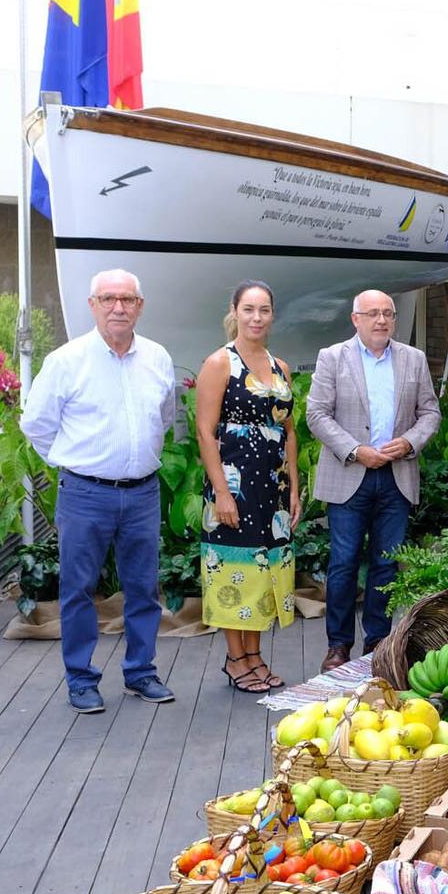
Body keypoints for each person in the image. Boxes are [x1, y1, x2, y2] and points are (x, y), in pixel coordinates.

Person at [20, 268, 177, 713]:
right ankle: (81, 679)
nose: (118, 307)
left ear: (140, 306)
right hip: (85, 493)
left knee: (144, 588)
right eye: (108, 299)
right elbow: (36, 426)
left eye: (127, 299)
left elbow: (164, 418)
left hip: (143, 493)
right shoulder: (66, 361)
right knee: (78, 590)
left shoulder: (158, 357)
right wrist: (78, 464)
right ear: (93, 305)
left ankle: (141, 673)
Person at [306, 289, 442, 674]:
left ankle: (378, 644)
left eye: (388, 314)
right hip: (350, 474)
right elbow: (317, 414)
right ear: (356, 319)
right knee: (344, 564)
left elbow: (430, 412)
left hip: (396, 477)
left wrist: (411, 441)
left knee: (386, 566)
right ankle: (338, 645)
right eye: (372, 314)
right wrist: (354, 449)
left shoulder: (413, 359)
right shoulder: (333, 358)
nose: (381, 321)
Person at [194, 281, 301, 693]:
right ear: (235, 312)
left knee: (262, 571)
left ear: (273, 315)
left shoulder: (281, 367)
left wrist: (292, 486)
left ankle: (254, 655)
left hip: (270, 489)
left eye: (264, 310)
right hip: (235, 485)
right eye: (249, 309)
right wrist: (221, 491)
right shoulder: (220, 362)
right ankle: (235, 659)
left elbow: (289, 431)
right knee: (234, 570)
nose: (257, 317)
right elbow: (205, 432)